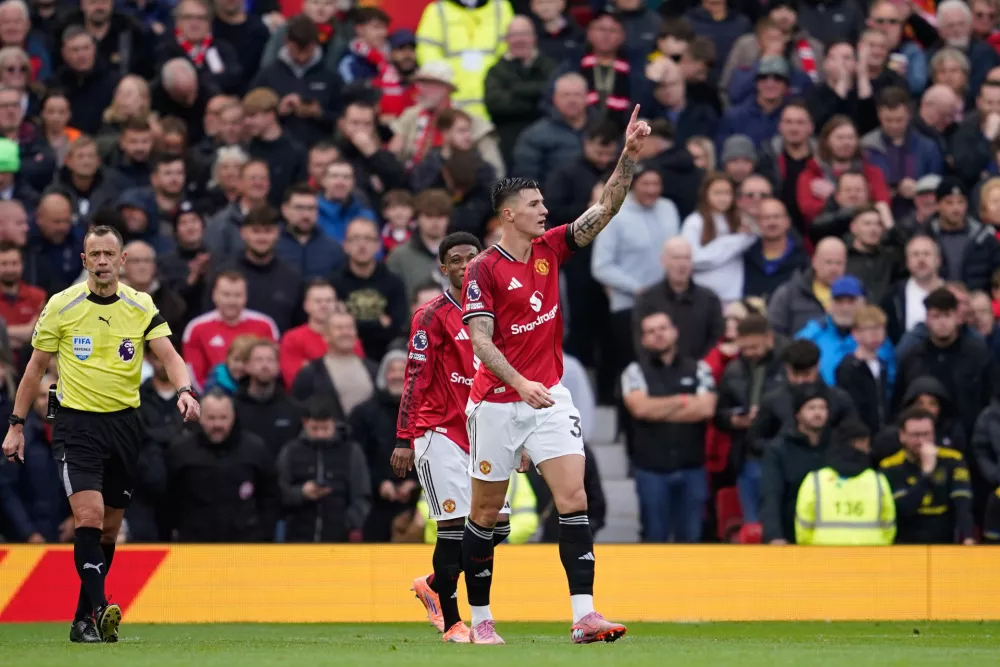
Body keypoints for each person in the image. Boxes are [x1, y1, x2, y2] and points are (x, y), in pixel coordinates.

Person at [457, 105, 649, 644]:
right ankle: (481, 618)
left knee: (575, 499)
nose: (546, 210)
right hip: (497, 401)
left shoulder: (550, 248)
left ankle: (585, 616)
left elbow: (604, 209)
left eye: (544, 203)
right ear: (509, 214)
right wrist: (519, 384)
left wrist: (627, 157)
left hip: (549, 397)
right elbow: (480, 341)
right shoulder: (483, 269)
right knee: (488, 514)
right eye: (536, 204)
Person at [2, 225, 199, 642]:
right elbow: (35, 369)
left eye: (111, 254)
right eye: (96, 254)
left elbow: (170, 355)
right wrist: (16, 425)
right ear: (85, 260)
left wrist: (185, 390)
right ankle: (100, 608)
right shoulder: (62, 305)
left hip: (126, 425)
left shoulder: (140, 304)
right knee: (87, 518)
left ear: (123, 260)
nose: (104, 261)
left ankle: (82, 621)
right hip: (77, 425)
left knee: (108, 531)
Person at [390, 231, 510, 642]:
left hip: (486, 426)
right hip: (437, 428)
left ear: (482, 262)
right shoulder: (430, 315)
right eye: (454, 260)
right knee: (455, 526)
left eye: (470, 258)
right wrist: (404, 437)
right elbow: (415, 377)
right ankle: (455, 621)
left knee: (496, 528)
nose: (463, 265)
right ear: (444, 268)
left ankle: (434, 584)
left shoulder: (499, 311)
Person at [621, 311, 717, 543]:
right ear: (643, 339)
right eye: (651, 331)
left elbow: (706, 409)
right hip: (651, 471)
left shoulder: (699, 368)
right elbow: (641, 409)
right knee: (654, 539)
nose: (658, 335)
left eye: (663, 328)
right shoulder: (634, 372)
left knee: (691, 540)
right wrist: (683, 400)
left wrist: (658, 408)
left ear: (675, 332)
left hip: (692, 469)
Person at [276, 396, 371, 543]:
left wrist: (347, 523)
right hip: (298, 539)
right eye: (314, 429)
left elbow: (362, 496)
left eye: (325, 428)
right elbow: (278, 492)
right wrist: (301, 493)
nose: (320, 434)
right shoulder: (290, 452)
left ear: (334, 423)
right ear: (305, 423)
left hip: (339, 540)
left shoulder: (352, 452)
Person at [879, 406, 976, 544]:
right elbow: (904, 510)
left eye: (927, 434)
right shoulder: (889, 466)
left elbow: (962, 505)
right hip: (905, 546)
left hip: (944, 544)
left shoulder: (953, 460)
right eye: (915, 435)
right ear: (902, 436)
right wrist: (927, 473)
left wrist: (968, 538)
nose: (921, 441)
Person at [794, 419, 896, 545]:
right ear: (859, 443)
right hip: (870, 558)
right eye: (866, 443)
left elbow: (803, 528)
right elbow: (889, 526)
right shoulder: (877, 480)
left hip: (823, 557)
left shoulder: (815, 480)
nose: (869, 449)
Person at [761, 382, 831, 544]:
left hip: (829, 536)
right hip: (791, 535)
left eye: (822, 408)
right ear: (798, 414)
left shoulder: (837, 447)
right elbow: (771, 495)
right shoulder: (778, 449)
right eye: (811, 408)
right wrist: (774, 536)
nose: (818, 413)